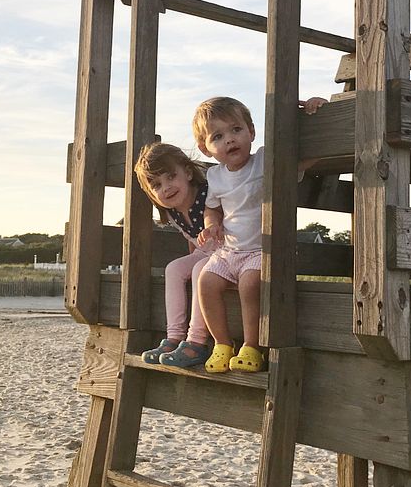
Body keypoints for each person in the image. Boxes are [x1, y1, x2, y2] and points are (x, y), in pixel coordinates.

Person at [193, 95, 326, 374]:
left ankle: (252, 346)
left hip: (260, 250)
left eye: (236, 130)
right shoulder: (215, 177)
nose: (229, 139)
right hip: (229, 251)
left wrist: (315, 115)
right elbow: (212, 209)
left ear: (251, 132)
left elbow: (308, 157)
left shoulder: (265, 160)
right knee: (205, 282)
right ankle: (222, 345)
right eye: (217, 136)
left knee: (250, 285)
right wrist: (211, 225)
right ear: (205, 149)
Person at [133, 142, 219, 369]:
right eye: (157, 185)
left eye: (171, 177)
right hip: (206, 252)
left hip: (229, 252)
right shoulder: (172, 212)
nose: (167, 187)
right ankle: (174, 337)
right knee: (174, 268)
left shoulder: (207, 195)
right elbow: (192, 241)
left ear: (188, 173)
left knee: (201, 269)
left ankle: (196, 342)